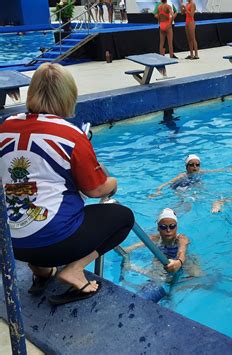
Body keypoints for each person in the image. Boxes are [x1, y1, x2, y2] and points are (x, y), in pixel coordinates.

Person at [0, 63, 134, 305]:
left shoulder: (5, 128)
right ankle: (73, 270)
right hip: (56, 244)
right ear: (68, 96)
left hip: (11, 244)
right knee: (122, 217)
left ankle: (40, 272)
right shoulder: (71, 136)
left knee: (31, 212)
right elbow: (95, 190)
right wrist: (112, 182)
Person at [148, 154, 232, 197]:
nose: (195, 167)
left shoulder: (200, 172)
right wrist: (158, 191)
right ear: (186, 167)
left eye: (197, 165)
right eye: (191, 165)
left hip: (191, 184)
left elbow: (215, 171)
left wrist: (229, 169)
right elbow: (166, 184)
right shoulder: (182, 175)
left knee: (201, 186)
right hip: (179, 186)